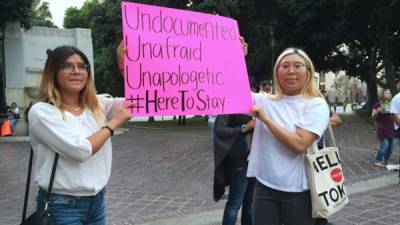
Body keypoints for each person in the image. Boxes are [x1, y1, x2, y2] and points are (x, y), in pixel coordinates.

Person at [28, 45, 132, 225]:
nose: (76, 71)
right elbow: (80, 151)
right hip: (61, 206)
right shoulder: (42, 112)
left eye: (82, 66)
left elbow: (139, 100)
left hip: (97, 201)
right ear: (52, 72)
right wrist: (113, 124)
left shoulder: (97, 105)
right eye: (67, 66)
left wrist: (125, 67)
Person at [248, 48, 330, 225]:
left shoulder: (316, 104)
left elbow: (299, 144)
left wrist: (266, 120)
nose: (290, 71)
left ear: (308, 72)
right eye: (284, 66)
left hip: (299, 192)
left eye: (297, 66)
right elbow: (228, 90)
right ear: (277, 72)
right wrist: (234, 54)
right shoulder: (264, 101)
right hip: (264, 188)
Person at [213, 76, 257, 225]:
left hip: (256, 160)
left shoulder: (257, 106)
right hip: (239, 161)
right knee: (234, 203)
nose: (250, 92)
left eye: (252, 89)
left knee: (250, 202)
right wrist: (245, 127)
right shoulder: (228, 104)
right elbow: (220, 131)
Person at [372, 89, 394, 167]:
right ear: (383, 95)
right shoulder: (378, 105)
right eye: (386, 93)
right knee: (385, 144)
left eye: (389, 93)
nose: (388, 95)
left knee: (391, 147)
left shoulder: (393, 104)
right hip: (382, 128)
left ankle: (386, 161)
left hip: (391, 128)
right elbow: (373, 117)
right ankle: (378, 160)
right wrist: (377, 111)